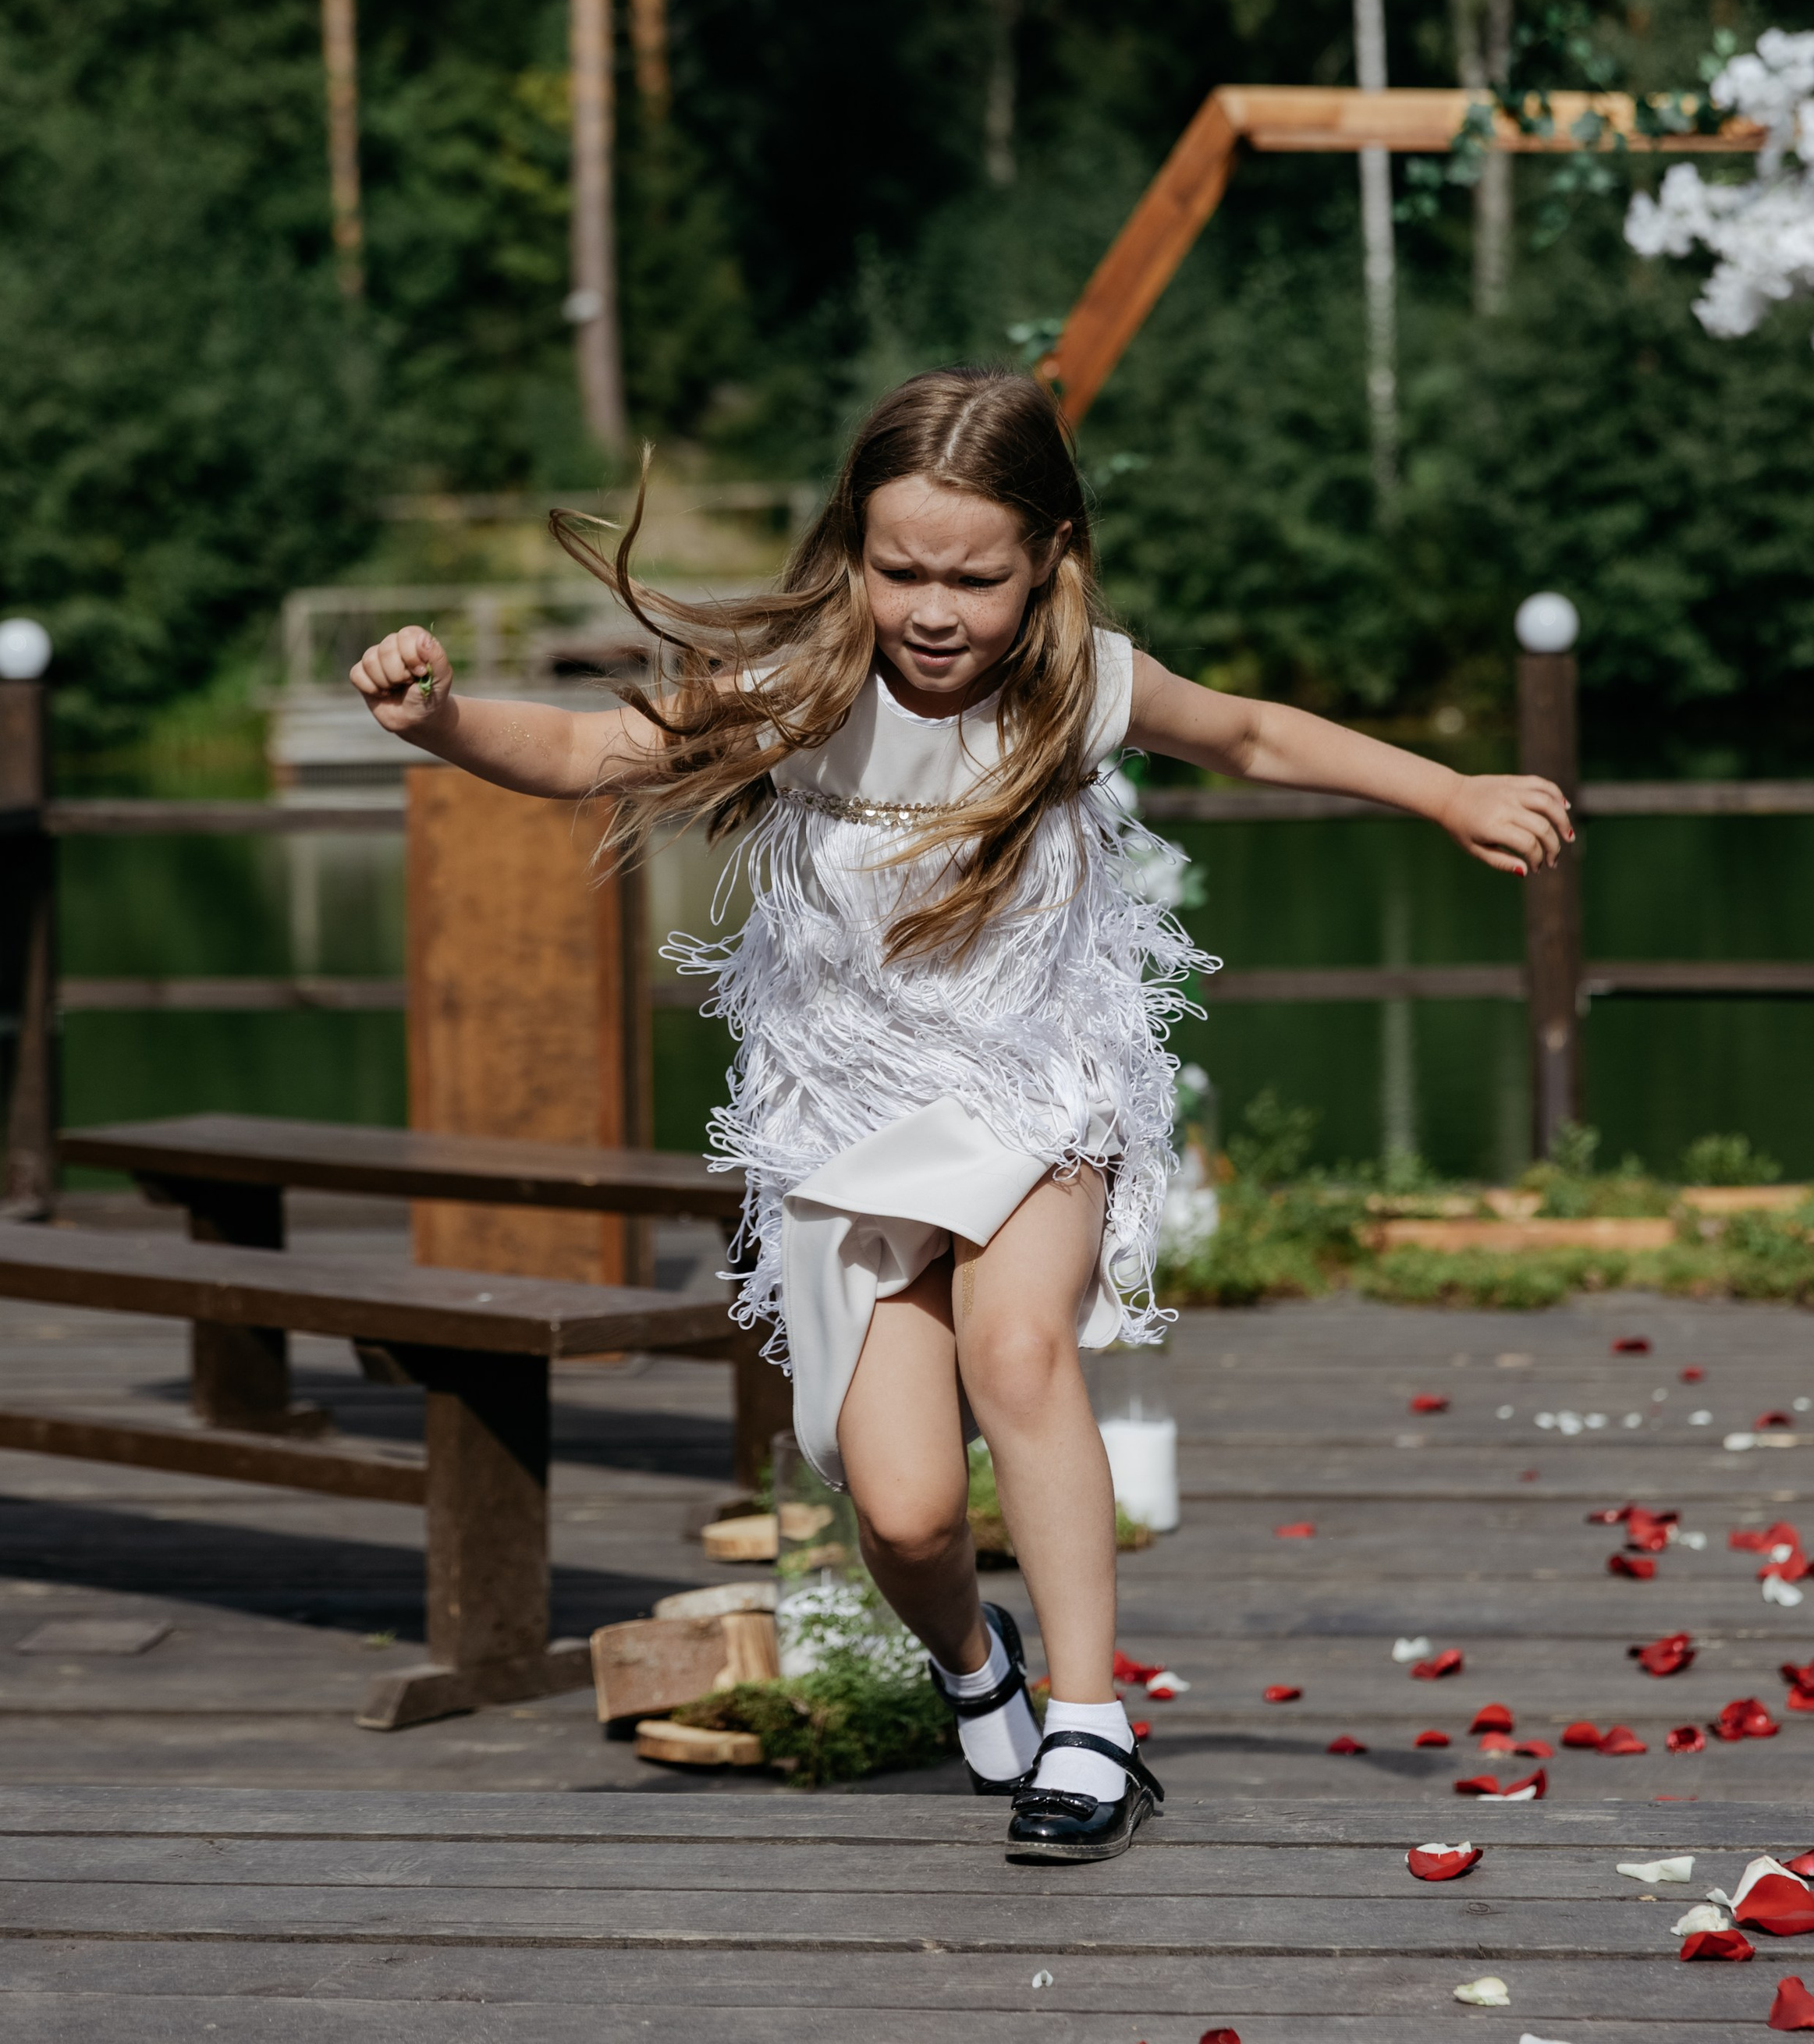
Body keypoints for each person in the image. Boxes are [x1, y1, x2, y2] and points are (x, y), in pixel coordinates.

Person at [350, 366, 1571, 1864]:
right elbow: (582, 756)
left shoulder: (1083, 681)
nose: (934, 609)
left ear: (1050, 551)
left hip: (1035, 1077)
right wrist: (445, 718)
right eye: (899, 566)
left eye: (975, 576)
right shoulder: (803, 690)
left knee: (1018, 1347)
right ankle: (970, 1661)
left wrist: (1444, 793)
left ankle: (1090, 1723)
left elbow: (1254, 736)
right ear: (851, 547)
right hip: (846, 1115)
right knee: (910, 1513)